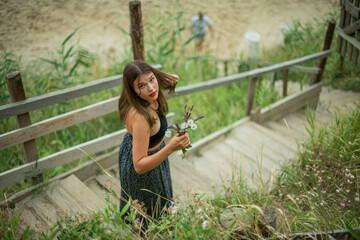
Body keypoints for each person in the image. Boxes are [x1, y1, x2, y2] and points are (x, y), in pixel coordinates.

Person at [118, 60, 191, 227]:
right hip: (144, 167)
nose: (151, 88)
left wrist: (162, 79)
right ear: (133, 91)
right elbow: (139, 165)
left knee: (160, 205)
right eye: (141, 86)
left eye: (152, 79)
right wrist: (171, 147)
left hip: (150, 154)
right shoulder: (141, 118)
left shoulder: (148, 95)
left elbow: (173, 79)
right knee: (149, 215)